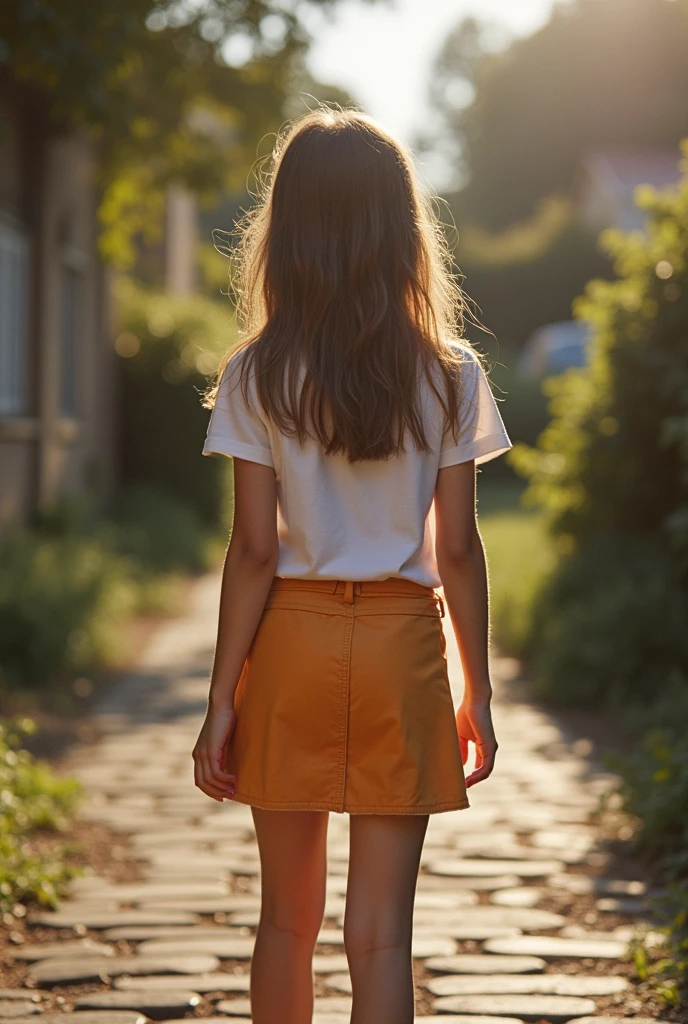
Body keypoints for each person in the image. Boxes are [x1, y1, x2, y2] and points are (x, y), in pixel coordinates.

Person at [192, 105, 512, 1024]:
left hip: (288, 649)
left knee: (286, 923)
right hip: (402, 650)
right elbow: (457, 548)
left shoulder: (256, 372)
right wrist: (476, 690)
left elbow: (254, 549)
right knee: (380, 936)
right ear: (402, 226)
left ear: (285, 230)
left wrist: (223, 700)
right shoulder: (451, 374)